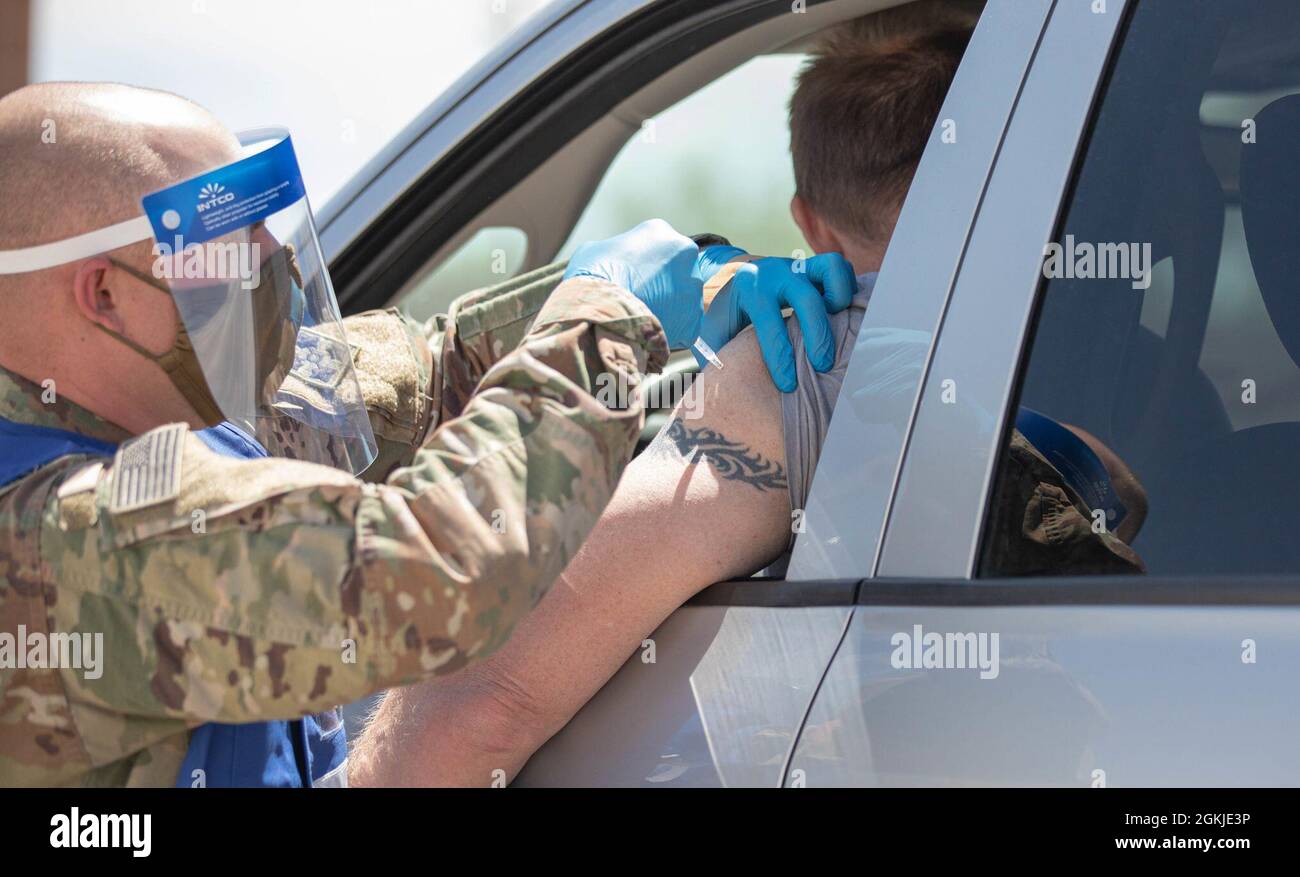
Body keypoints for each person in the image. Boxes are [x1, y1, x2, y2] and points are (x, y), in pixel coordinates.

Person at [347, 0, 1148, 787]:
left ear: (810, 225)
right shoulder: (1088, 391)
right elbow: (1124, 494)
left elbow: (487, 702)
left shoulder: (811, 363)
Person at [0, 82, 850, 787]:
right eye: (228, 238)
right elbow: (442, 567)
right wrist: (604, 321)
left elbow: (425, 374)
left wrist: (673, 286)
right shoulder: (67, 535)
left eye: (266, 222)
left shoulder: (162, 403)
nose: (271, 261)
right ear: (104, 295)